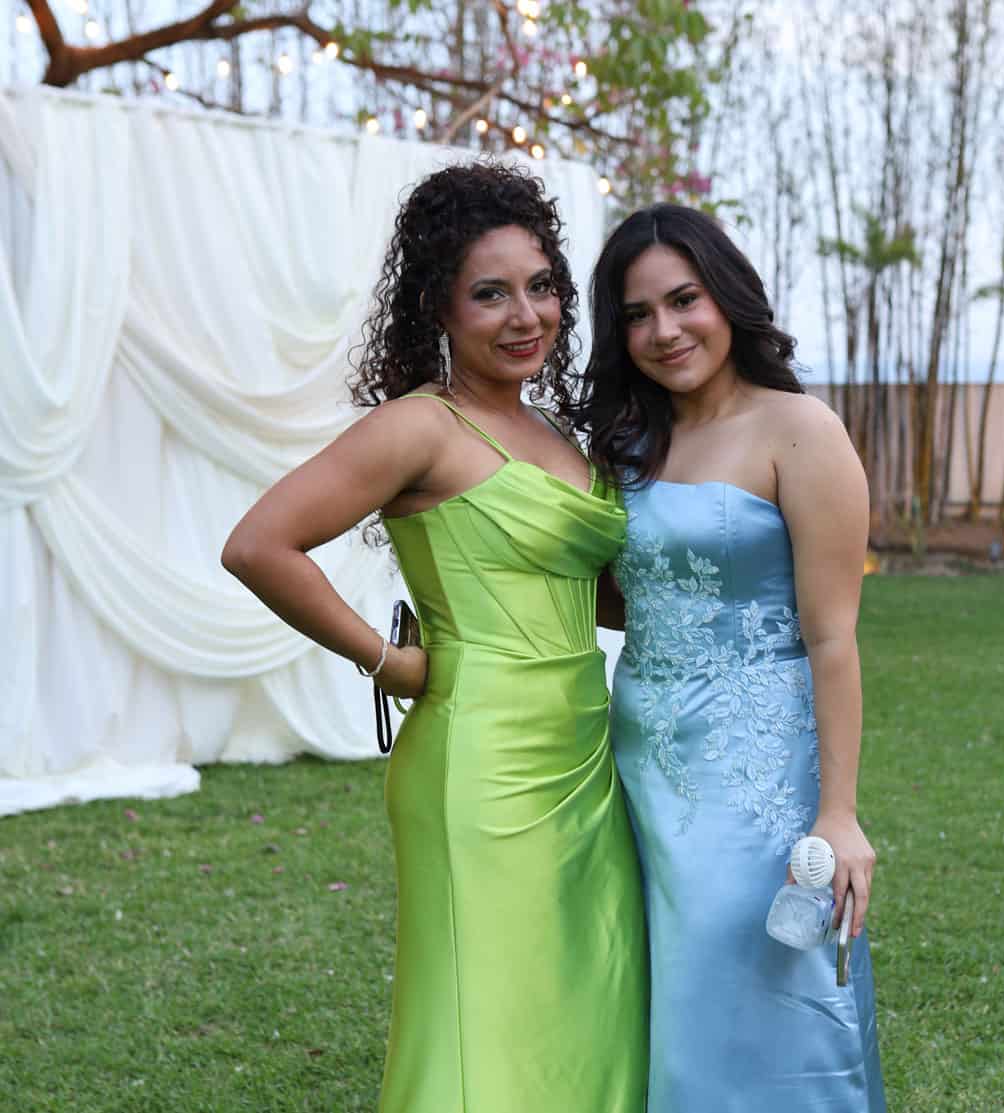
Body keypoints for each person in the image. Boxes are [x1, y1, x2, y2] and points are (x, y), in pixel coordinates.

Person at [221, 162, 647, 1113]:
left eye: (541, 286)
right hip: (478, 761)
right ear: (438, 306)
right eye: (490, 293)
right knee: (479, 1017)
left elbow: (591, 594)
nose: (526, 315)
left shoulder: (558, 433)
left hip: (586, 752)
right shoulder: (420, 427)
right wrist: (389, 660)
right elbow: (259, 544)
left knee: (585, 1002)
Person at [567, 203, 886, 1112]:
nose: (664, 331)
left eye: (684, 300)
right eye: (637, 314)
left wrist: (838, 813)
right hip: (640, 758)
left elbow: (833, 637)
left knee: (758, 982)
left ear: (727, 298)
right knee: (663, 988)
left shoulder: (801, 429)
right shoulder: (625, 444)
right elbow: (622, 590)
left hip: (756, 769)